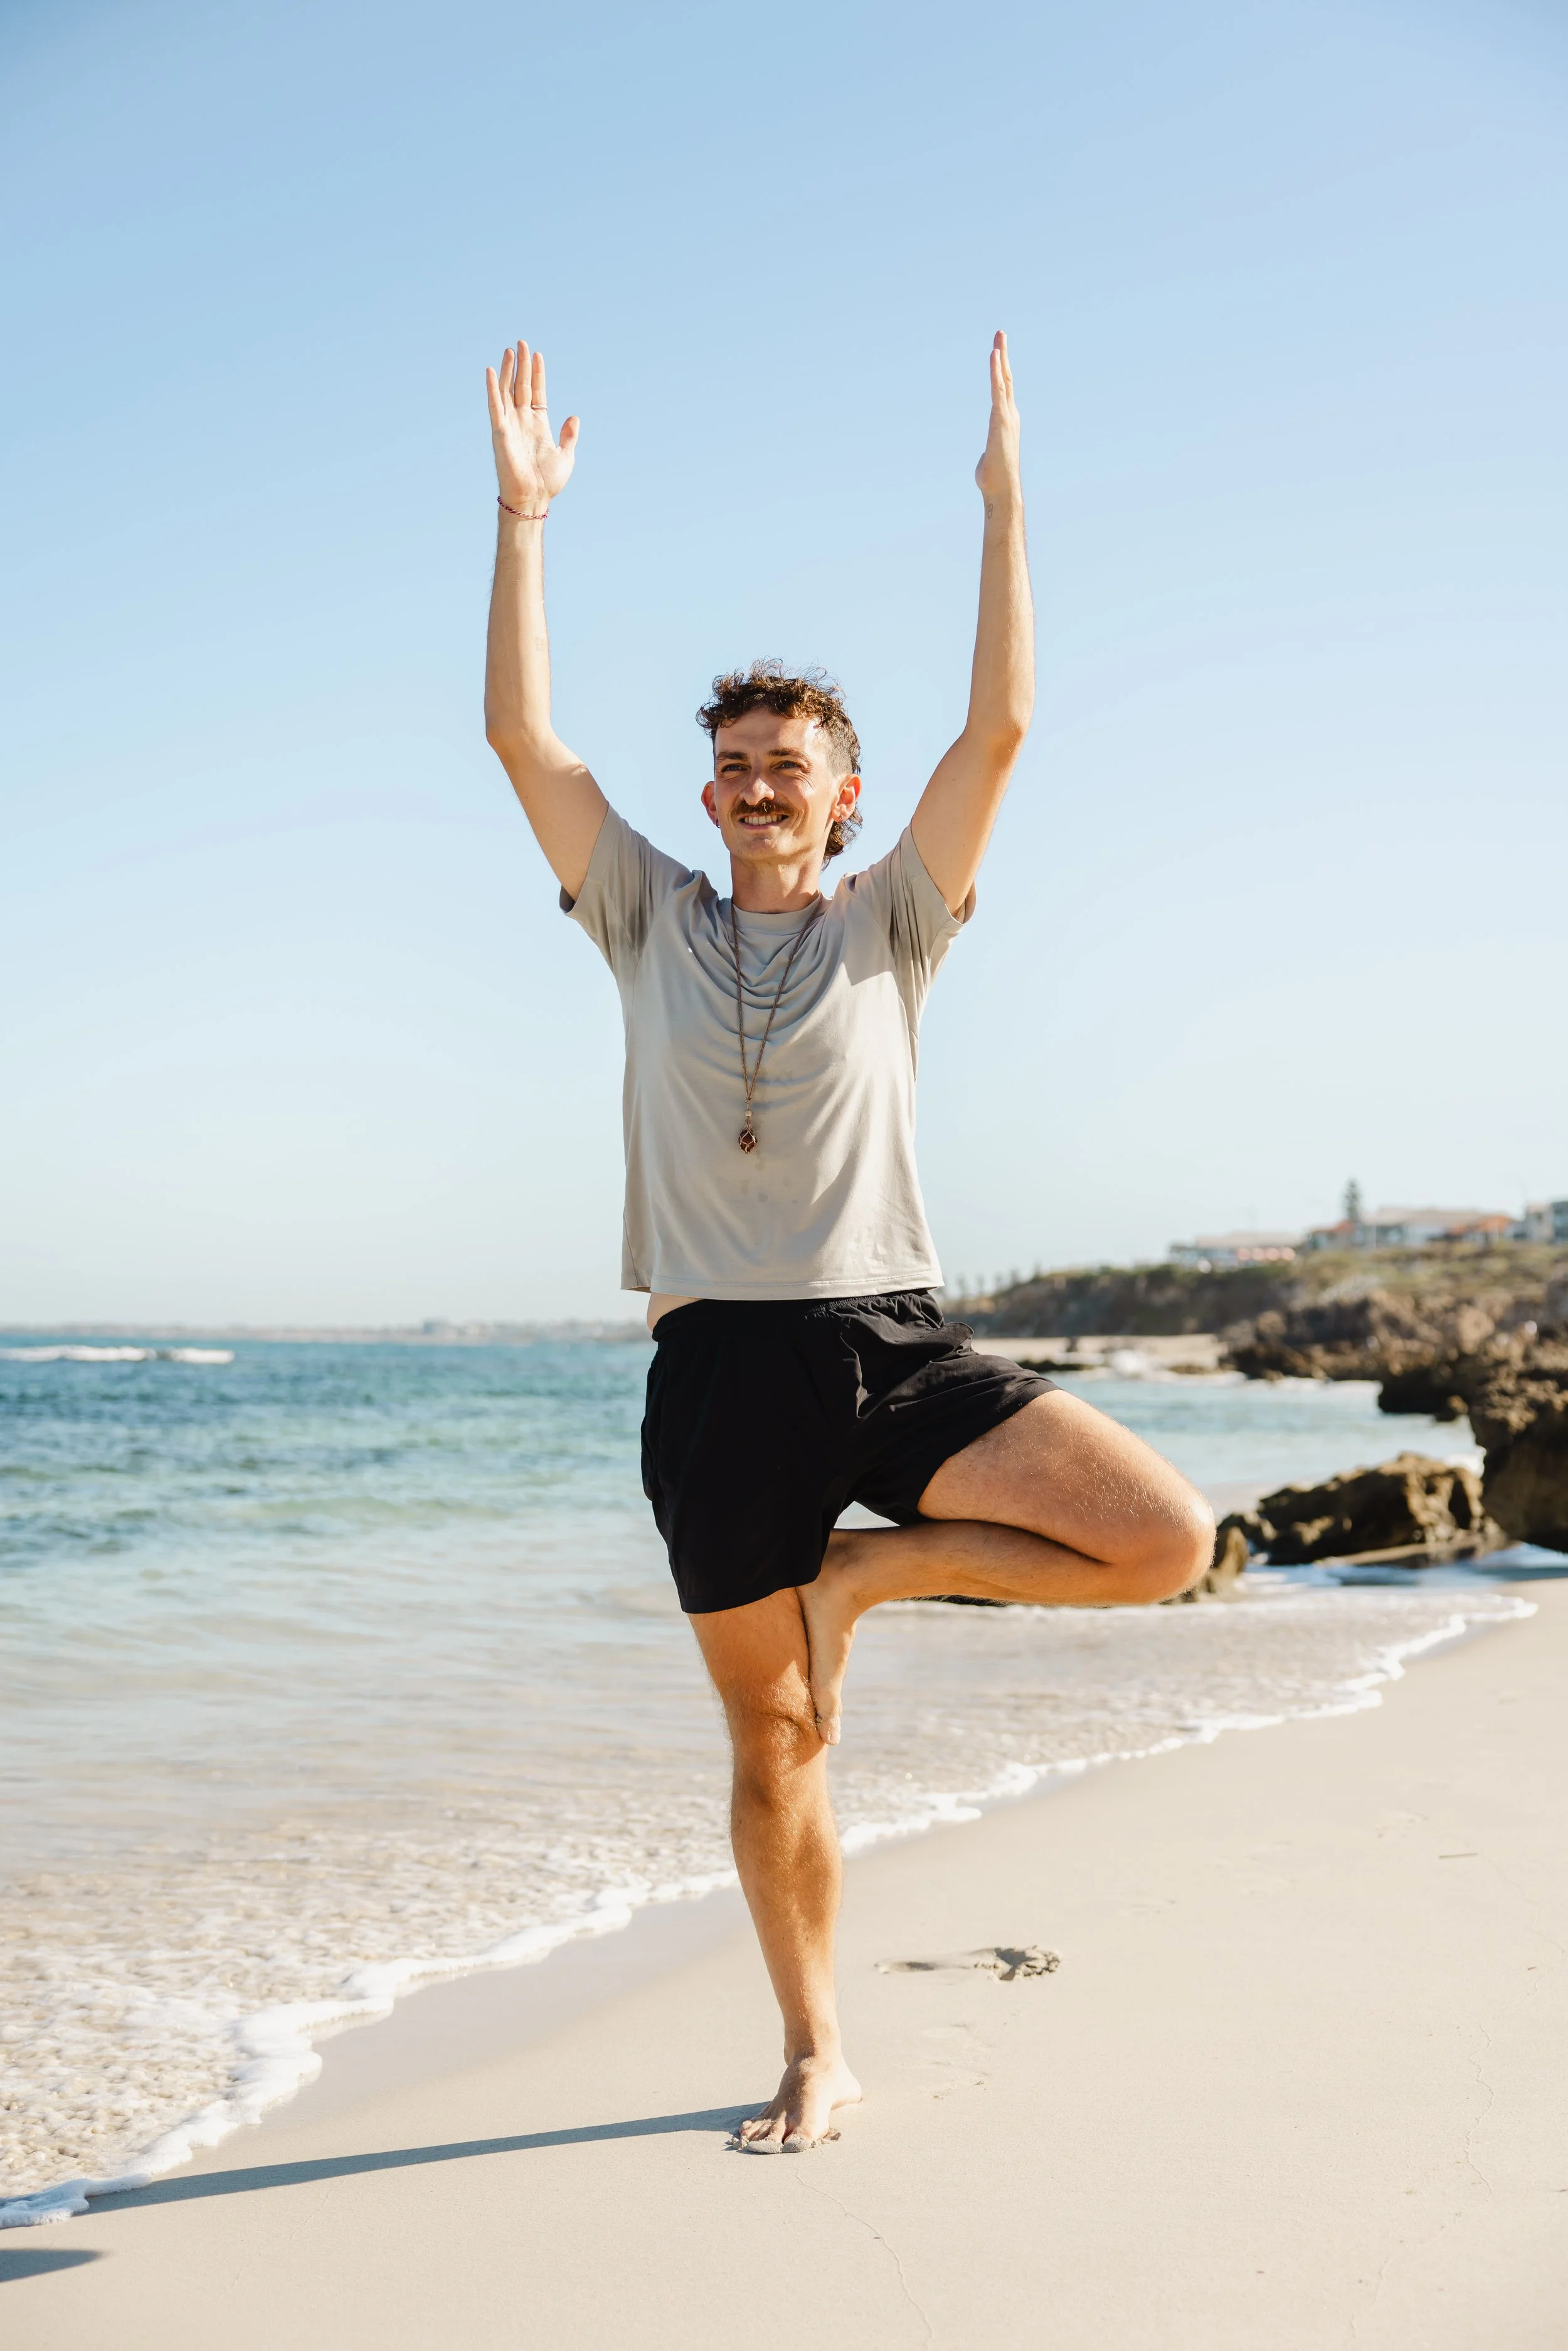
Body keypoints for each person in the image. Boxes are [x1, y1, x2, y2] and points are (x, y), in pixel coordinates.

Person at [483, 332, 1216, 2153]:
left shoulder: (896, 921)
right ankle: (814, 2044)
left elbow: (1004, 730)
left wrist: (1003, 502)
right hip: (717, 1360)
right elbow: (522, 737)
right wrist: (522, 523)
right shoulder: (641, 911)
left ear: (843, 795)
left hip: (888, 1339)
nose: (746, 780)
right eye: (727, 758)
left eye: (782, 759)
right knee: (777, 1744)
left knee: (1160, 1540)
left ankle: (869, 1574)